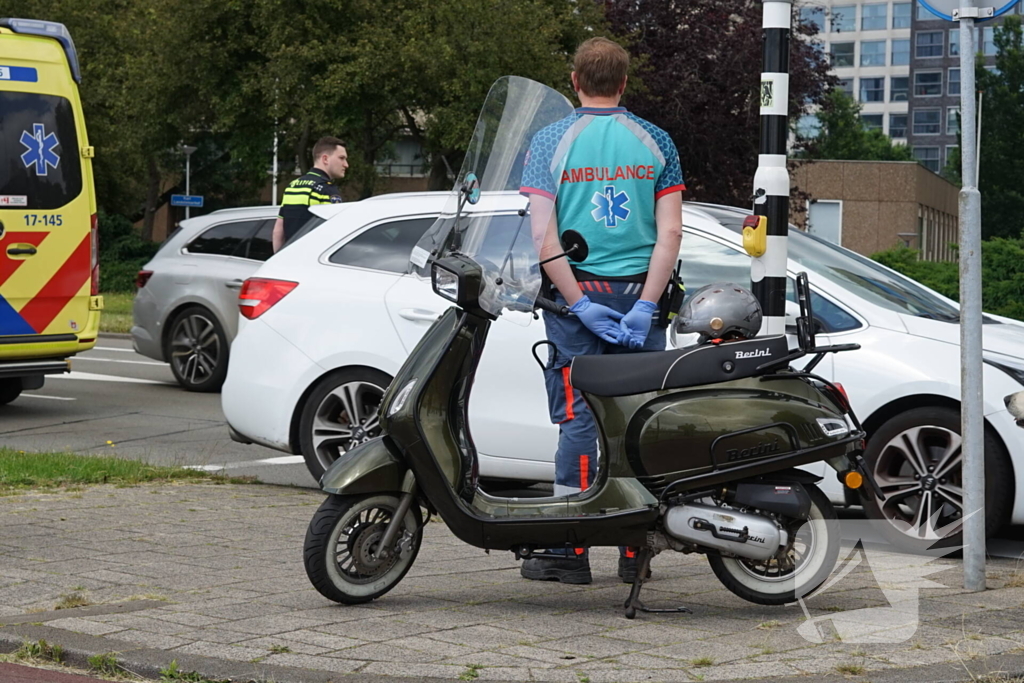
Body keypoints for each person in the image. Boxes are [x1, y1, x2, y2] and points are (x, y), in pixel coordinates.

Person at [519, 37, 685, 585]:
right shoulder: (656, 141)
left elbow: (542, 236)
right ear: (624, 83)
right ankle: (636, 549)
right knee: (639, 423)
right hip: (641, 295)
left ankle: (571, 548)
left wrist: (579, 303)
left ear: (574, 81)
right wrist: (644, 305)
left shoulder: (549, 141)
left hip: (577, 300)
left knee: (578, 421)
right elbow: (671, 234)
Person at [272, 137, 349, 252]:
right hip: (312, 260)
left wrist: (278, 260)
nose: (346, 164)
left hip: (289, 260)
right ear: (325, 159)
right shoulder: (327, 190)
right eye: (341, 158)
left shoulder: (292, 186)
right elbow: (334, 233)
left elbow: (278, 231)